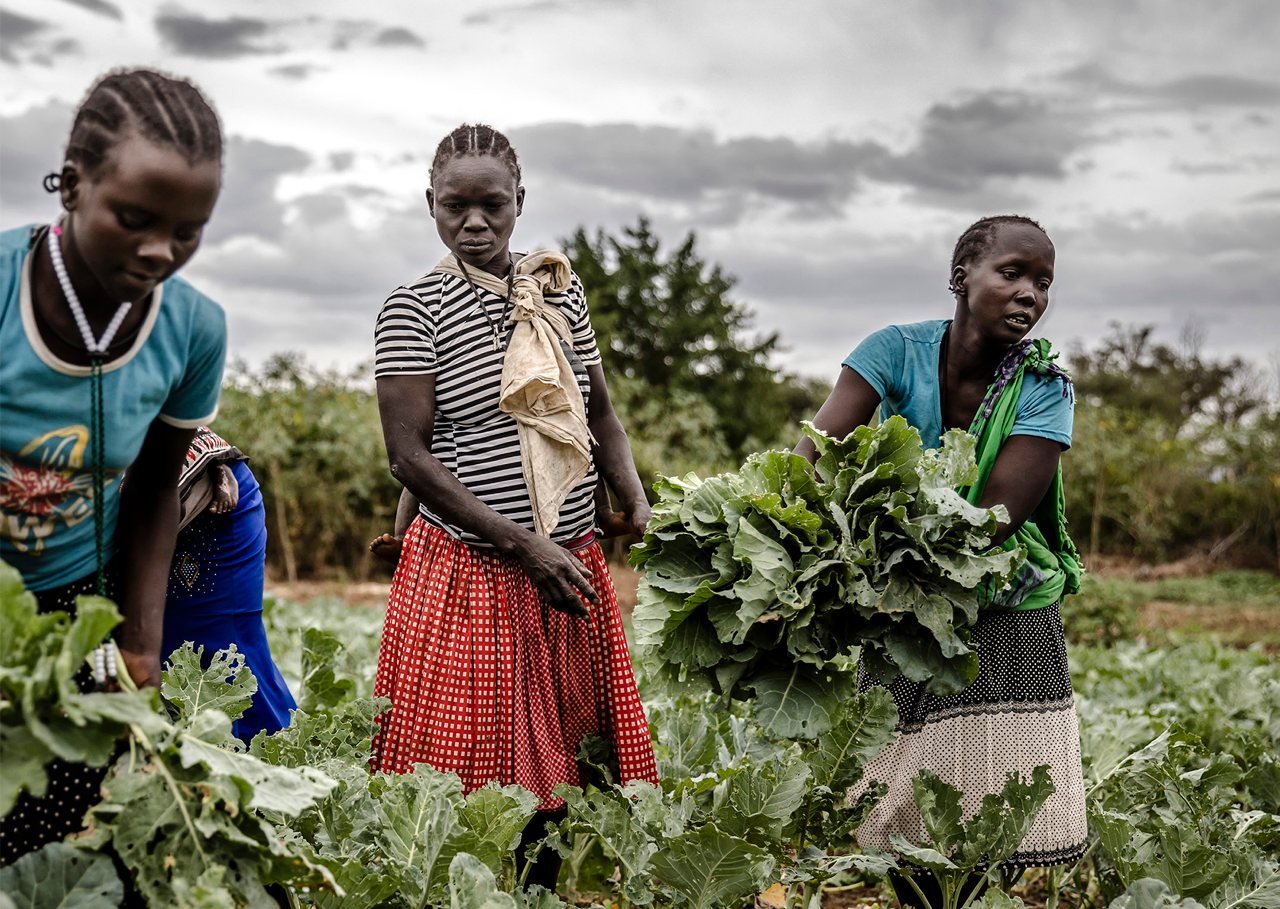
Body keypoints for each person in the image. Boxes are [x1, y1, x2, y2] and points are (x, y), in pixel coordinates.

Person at [371, 124, 658, 889]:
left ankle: (540, 897)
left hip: (569, 559)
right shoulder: (414, 308)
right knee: (468, 767)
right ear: (430, 204)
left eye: (491, 205)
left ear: (519, 201)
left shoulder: (558, 289)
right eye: (454, 206)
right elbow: (409, 456)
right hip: (476, 567)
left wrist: (630, 490)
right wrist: (525, 545)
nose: (474, 222)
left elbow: (599, 412)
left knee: (560, 760)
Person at [796, 216, 1087, 904]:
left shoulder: (1044, 386)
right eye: (1012, 273)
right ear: (961, 276)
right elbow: (812, 456)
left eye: (1043, 282)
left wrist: (879, 561)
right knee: (896, 792)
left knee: (991, 805)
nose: (1030, 294)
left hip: (1003, 603)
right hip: (899, 603)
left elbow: (997, 518)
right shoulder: (894, 351)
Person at [0, 68, 226, 864]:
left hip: (77, 601)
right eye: (134, 219)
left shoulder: (193, 329)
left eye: (189, 231)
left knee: (50, 824)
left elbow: (155, 489)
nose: (161, 250)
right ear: (72, 184)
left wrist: (137, 643)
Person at [162, 427, 297, 741]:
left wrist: (217, 465)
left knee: (225, 641)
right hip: (162, 507)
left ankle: (265, 748)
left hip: (219, 503)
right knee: (169, 635)